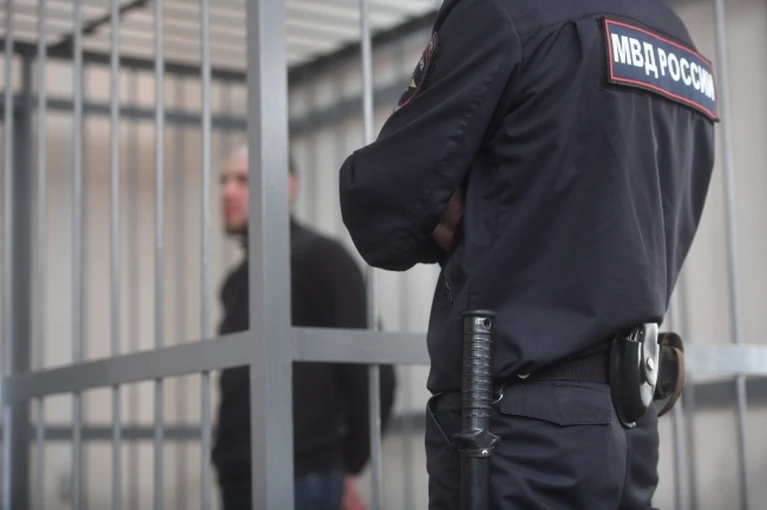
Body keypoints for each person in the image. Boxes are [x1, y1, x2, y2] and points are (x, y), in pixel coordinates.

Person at [338, 0, 717, 508]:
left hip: (517, 432)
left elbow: (383, 204)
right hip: (630, 428)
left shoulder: (505, 12)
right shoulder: (680, 44)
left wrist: (476, 218)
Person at [212, 145, 397, 510]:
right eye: (223, 180)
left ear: (287, 186)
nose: (227, 191)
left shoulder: (321, 260)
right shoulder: (236, 281)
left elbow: (373, 370)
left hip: (304, 476)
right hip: (239, 476)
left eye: (243, 180)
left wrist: (347, 466)